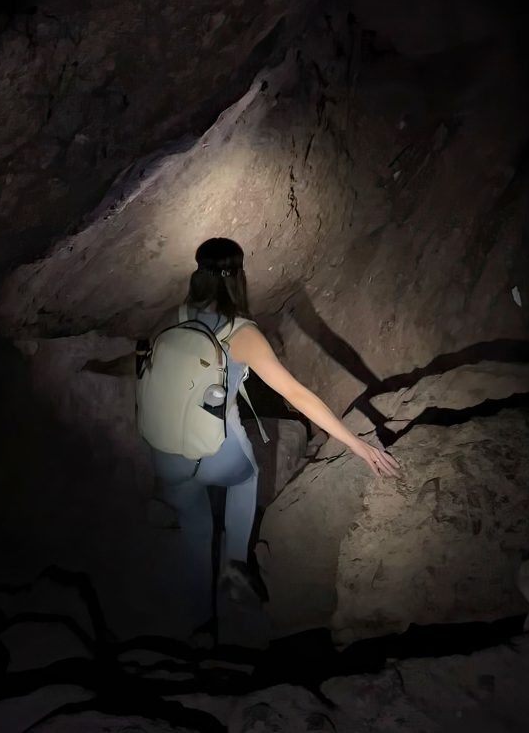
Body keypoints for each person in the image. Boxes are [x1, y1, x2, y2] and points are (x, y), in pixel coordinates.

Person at [83, 237, 399, 636]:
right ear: (239, 279)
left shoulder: (170, 318)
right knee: (247, 472)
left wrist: (97, 366)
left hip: (168, 456)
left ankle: (200, 624)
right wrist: (357, 444)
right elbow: (296, 394)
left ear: (197, 274)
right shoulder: (243, 334)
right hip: (219, 455)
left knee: (195, 530)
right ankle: (235, 567)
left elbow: (136, 364)